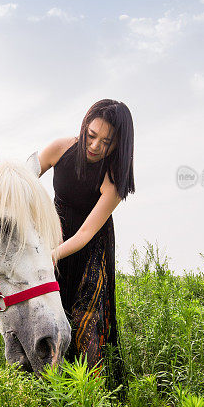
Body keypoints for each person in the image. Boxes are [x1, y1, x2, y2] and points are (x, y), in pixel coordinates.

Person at [38, 99, 135, 391]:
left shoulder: (115, 178)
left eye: (106, 142)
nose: (94, 146)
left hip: (92, 246)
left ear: (119, 145)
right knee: (49, 314)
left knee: (85, 321)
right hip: (54, 232)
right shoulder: (60, 148)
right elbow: (23, 178)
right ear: (84, 126)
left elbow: (85, 234)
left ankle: (92, 399)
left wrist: (52, 255)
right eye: (91, 135)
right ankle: (48, 388)